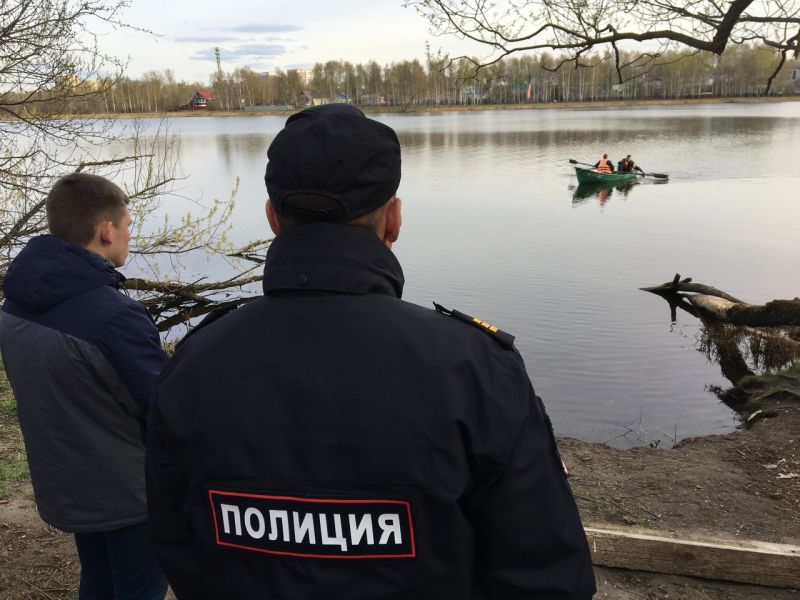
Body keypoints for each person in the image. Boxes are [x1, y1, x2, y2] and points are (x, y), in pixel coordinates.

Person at [146, 104, 596, 599]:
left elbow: (178, 547)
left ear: (273, 218)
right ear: (394, 220)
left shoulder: (193, 365)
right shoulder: (474, 371)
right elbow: (546, 574)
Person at [0, 173, 168, 600]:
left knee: (97, 580)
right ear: (106, 230)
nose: (130, 234)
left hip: (71, 482)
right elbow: (164, 411)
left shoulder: (17, 302)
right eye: (129, 225)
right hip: (131, 495)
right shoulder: (114, 317)